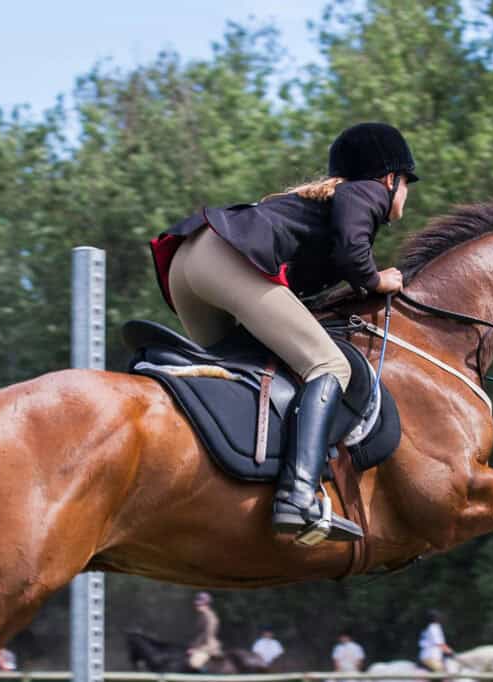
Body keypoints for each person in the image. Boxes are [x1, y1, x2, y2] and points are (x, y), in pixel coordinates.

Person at [150, 122, 417, 544]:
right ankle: (298, 495)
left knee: (246, 370)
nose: (405, 195)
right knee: (330, 366)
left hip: (188, 264)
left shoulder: (319, 203)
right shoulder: (365, 192)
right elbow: (353, 251)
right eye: (406, 184)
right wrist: (376, 279)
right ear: (390, 179)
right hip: (224, 262)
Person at [187, 592, 222, 670]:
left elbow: (207, 635)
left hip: (208, 646)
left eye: (200, 604)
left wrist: (196, 648)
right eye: (197, 604)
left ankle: (207, 675)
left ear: (207, 604)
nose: (197, 606)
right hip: (200, 645)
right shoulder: (201, 615)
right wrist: (192, 645)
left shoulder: (210, 617)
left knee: (194, 663)